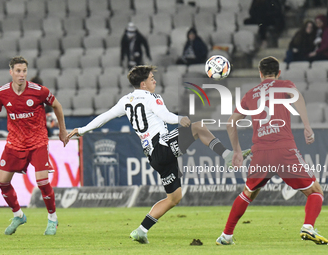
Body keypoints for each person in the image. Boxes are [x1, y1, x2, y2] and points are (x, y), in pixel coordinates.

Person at [65, 65, 251, 244]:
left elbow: (104, 117)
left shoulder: (126, 101)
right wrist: (179, 119)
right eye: (151, 78)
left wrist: (81, 130)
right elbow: (166, 116)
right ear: (143, 84)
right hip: (162, 145)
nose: (154, 80)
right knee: (199, 126)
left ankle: (141, 230)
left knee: (174, 198)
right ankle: (227, 155)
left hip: (154, 157)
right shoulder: (151, 97)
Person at [216, 56, 328, 245]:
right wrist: (307, 125)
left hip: (260, 152)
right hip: (284, 149)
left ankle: (226, 235)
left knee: (248, 193)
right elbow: (298, 99)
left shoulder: (250, 94)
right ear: (279, 73)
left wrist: (236, 151)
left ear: (260, 73)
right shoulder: (285, 85)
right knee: (316, 192)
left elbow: (230, 123)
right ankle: (308, 227)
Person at [0, 56, 68, 235]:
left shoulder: (39, 91)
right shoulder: (2, 93)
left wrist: (62, 131)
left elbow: (57, 106)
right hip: (15, 143)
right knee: (2, 182)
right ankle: (18, 215)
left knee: (42, 181)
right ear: (11, 72)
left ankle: (52, 219)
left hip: (37, 141)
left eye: (24, 71)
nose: (22, 75)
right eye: (18, 71)